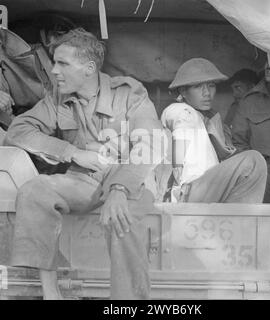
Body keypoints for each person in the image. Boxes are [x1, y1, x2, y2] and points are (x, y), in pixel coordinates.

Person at [4, 28, 165, 300]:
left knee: (121, 217)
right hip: (84, 180)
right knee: (36, 189)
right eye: (54, 62)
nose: (54, 70)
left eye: (62, 63)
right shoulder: (56, 98)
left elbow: (150, 146)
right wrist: (71, 152)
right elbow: (18, 131)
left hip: (130, 178)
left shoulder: (129, 94)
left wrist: (118, 190)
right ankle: (51, 293)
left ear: (89, 68)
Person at [161, 58, 267, 204]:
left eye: (211, 86)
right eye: (198, 87)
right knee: (253, 161)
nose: (207, 93)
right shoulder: (182, 110)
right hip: (190, 189)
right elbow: (180, 132)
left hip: (204, 189)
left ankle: (234, 221)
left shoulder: (209, 118)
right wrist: (178, 172)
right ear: (183, 91)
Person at [232, 61, 270, 203]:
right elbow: (239, 145)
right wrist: (263, 169)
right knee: (263, 221)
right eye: (267, 60)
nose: (268, 65)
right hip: (265, 172)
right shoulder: (249, 101)